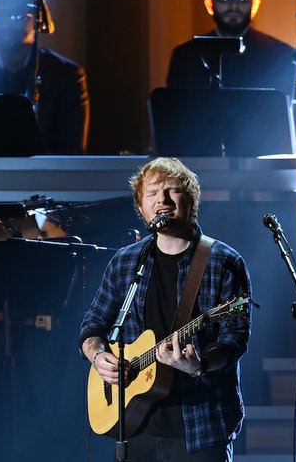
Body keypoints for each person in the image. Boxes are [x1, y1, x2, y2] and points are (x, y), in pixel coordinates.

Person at [79, 157, 251, 461]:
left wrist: (199, 365)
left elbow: (234, 338)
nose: (163, 199)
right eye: (153, 193)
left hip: (201, 426)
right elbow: (93, 324)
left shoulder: (223, 261)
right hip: (133, 426)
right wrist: (98, 356)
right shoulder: (125, 262)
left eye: (173, 190)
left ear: (190, 202)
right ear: (142, 208)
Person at [0, 0, 90, 154]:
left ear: (37, 20)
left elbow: (72, 151)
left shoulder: (66, 75)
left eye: (16, 16)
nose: (5, 24)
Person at [166, 0, 295, 98]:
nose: (233, 5)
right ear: (210, 0)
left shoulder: (281, 57)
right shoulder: (185, 58)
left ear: (253, 1)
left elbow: (291, 116)